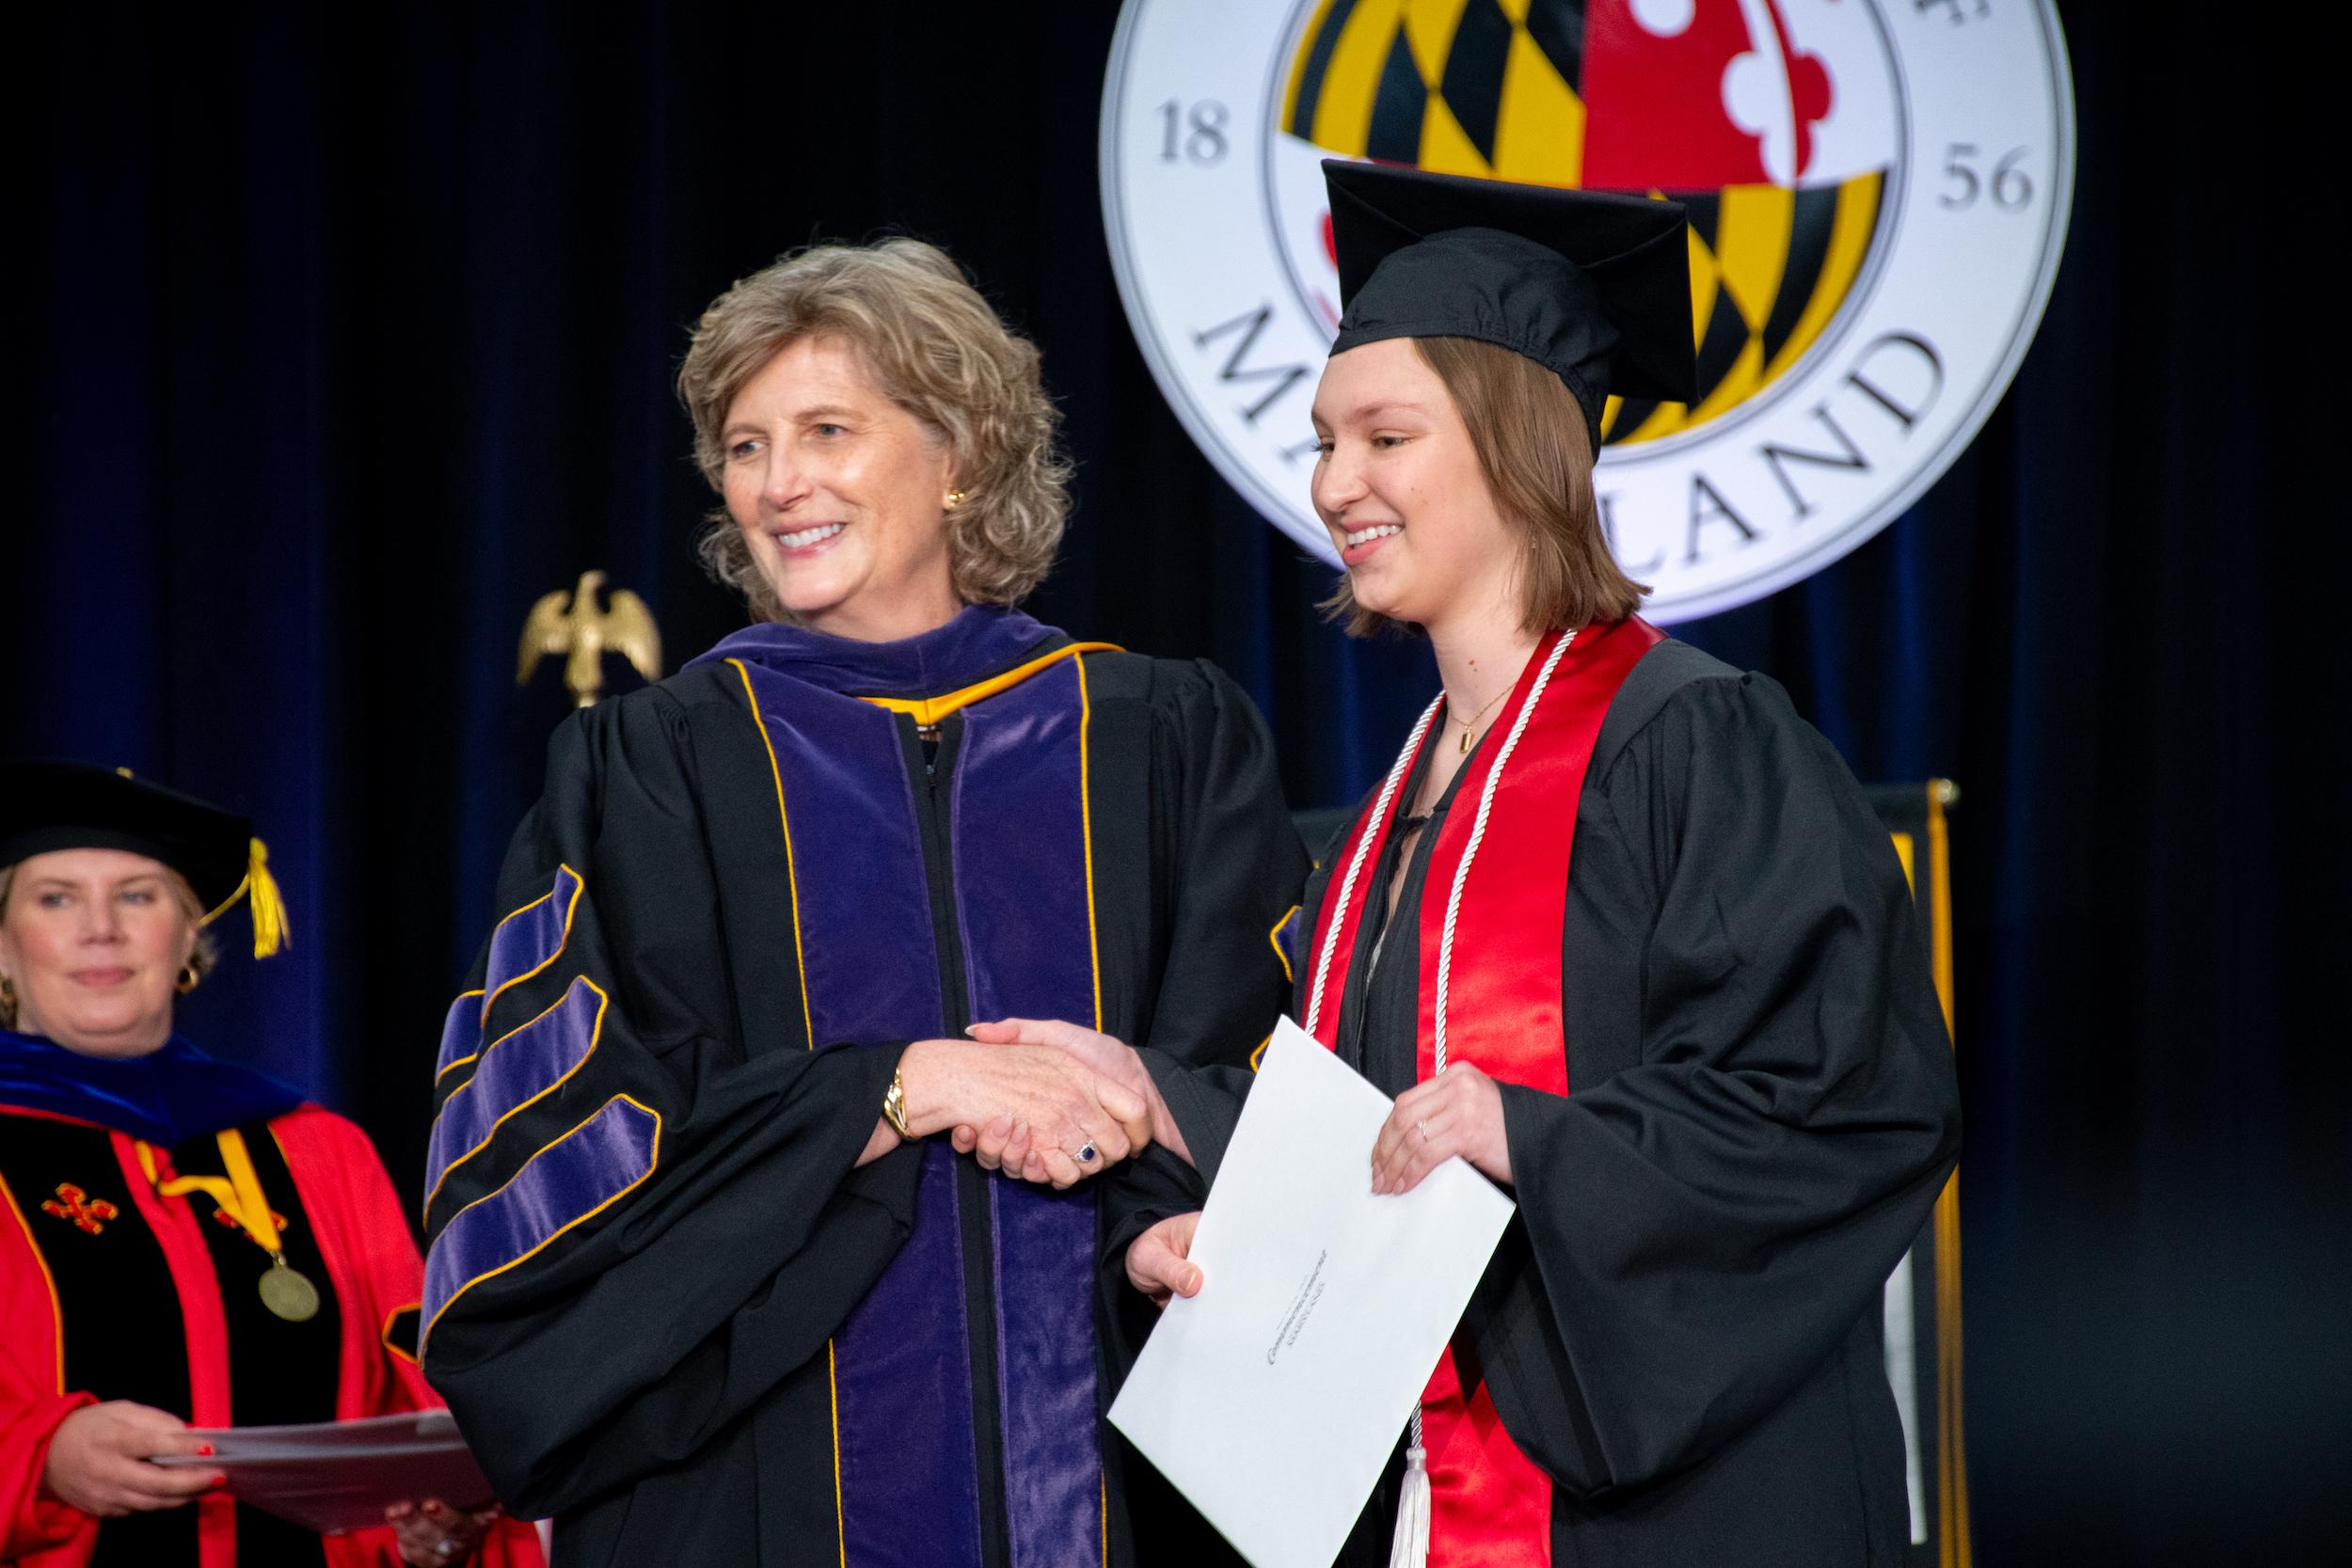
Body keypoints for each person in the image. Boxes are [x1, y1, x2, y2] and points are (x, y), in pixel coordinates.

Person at [1000, 162, 1964, 1566]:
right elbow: (1379, 1129)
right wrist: (1163, 1105)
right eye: (1325, 441)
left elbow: (1847, 1108)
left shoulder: (1696, 745)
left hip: (1691, 1513)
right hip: (1436, 1501)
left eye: (1387, 435)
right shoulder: (1397, 810)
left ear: (1523, 449)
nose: (1337, 483)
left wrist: (1536, 1135)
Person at [417, 238, 1305, 1567]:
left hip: (1121, 1483)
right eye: (745, 445)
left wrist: (1156, 1182)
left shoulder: (1155, 734)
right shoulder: (649, 766)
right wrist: (898, 1088)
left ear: (957, 453)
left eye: (828, 429)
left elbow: (1275, 1072)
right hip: (749, 1499)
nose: (781, 485)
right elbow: (550, 1176)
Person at [0, 762, 541, 1568]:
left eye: (139, 895)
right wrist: (42, 1460)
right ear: (4, 947)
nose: (101, 928)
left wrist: (437, 1521)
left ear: (187, 936)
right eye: (56, 897)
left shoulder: (314, 1148)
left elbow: (418, 1401)